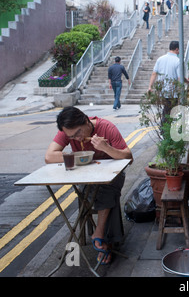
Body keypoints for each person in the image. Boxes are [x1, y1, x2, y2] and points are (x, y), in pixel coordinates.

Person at [45, 106, 133, 265]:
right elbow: (49, 156)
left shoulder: (106, 127)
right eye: (71, 136)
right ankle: (106, 240)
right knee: (105, 193)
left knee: (107, 188)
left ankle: (100, 233)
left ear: (86, 121)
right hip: (86, 178)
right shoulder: (68, 132)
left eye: (78, 133)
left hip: (113, 176)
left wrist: (106, 148)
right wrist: (74, 155)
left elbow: (128, 157)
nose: (77, 138)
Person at [148, 41, 189, 123]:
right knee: (170, 111)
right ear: (177, 49)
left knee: (167, 109)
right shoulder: (178, 61)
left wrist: (150, 86)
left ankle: (165, 128)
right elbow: (180, 77)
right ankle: (165, 129)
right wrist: (185, 85)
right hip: (172, 91)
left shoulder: (160, 59)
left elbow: (154, 73)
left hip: (161, 90)